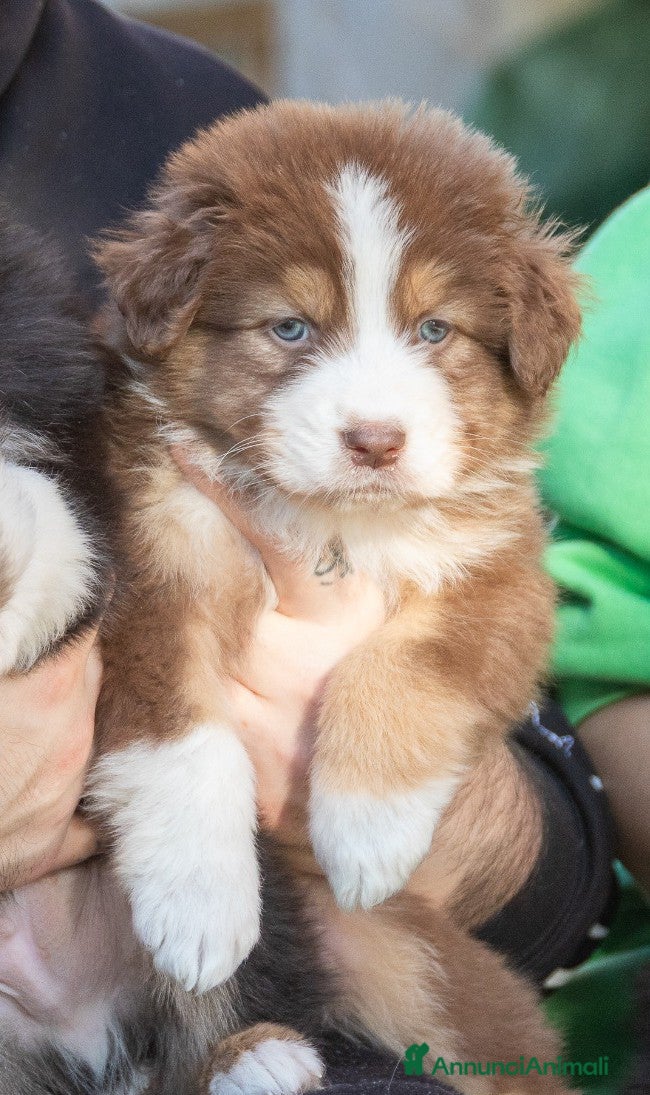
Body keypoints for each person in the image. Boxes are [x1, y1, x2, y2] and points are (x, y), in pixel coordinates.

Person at [0, 1, 618, 1089]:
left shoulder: (180, 109)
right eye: (291, 329)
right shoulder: (153, 439)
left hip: (286, 987)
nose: (374, 412)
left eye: (434, 333)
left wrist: (407, 782)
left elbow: (558, 867)